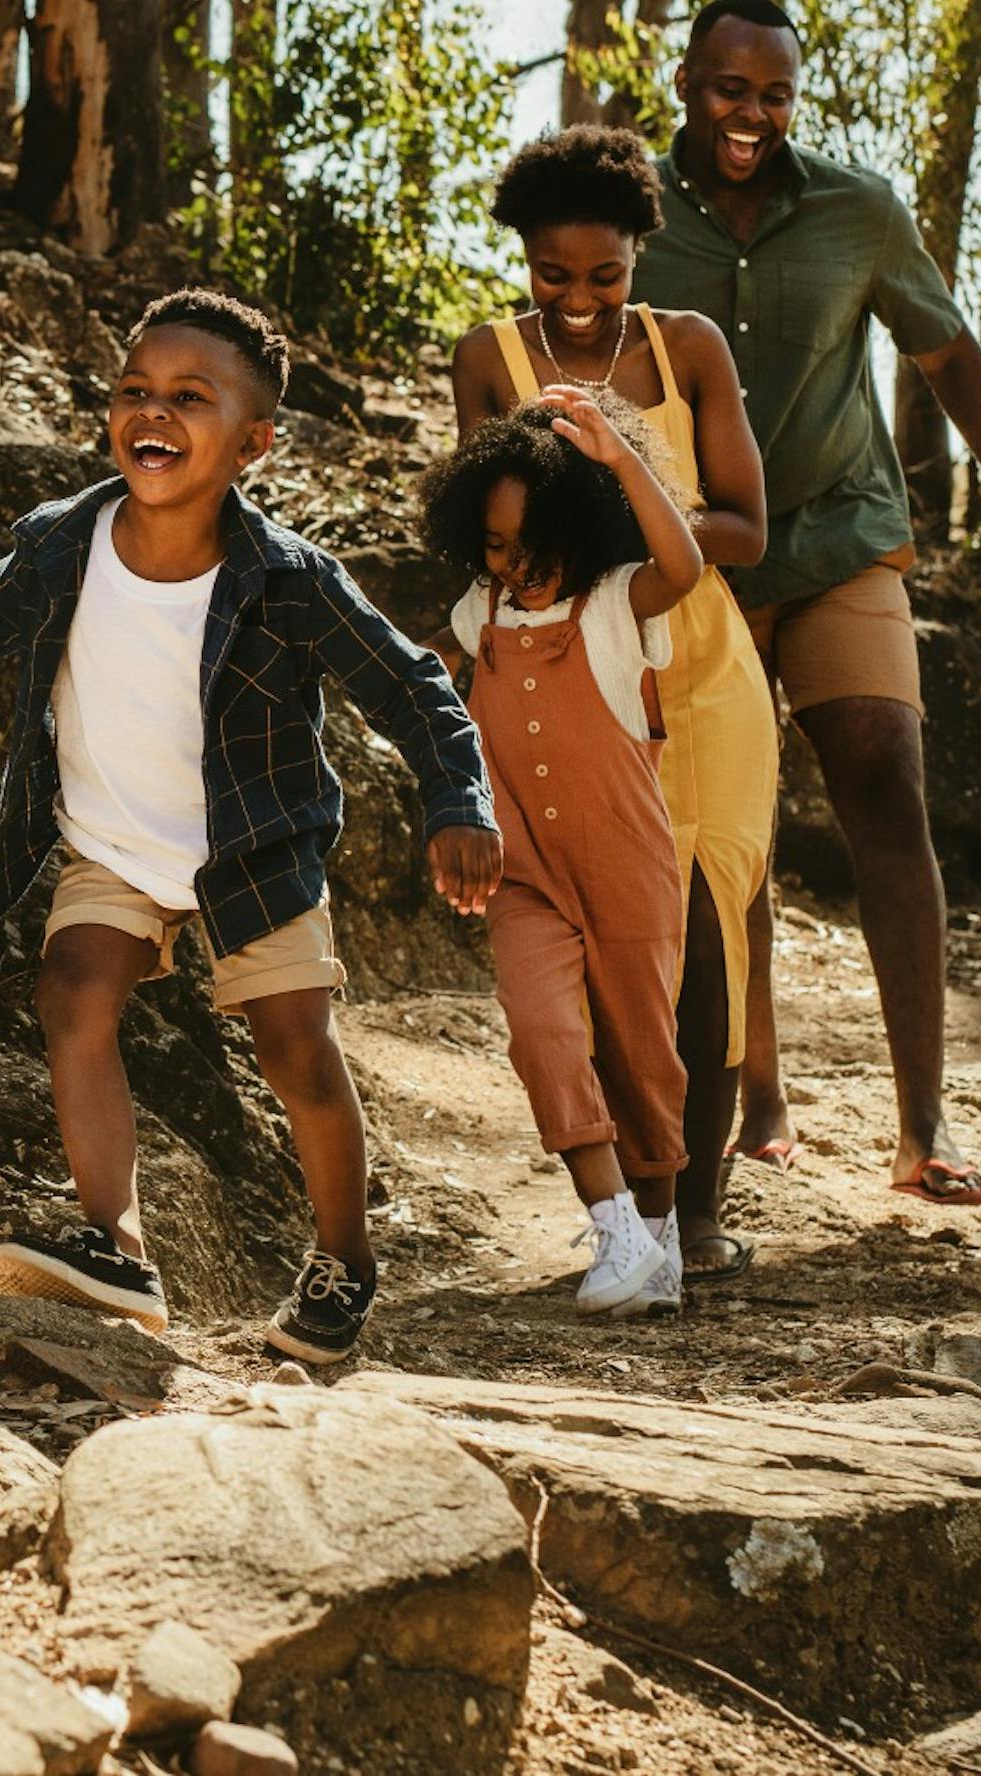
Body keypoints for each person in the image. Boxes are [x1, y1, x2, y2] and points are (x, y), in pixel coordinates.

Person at [0, 288, 501, 1364]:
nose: (154, 411)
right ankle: (119, 1248)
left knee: (295, 1050)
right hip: (114, 845)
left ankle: (344, 1259)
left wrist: (457, 799)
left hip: (255, 850)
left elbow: (413, 686)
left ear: (254, 443)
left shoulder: (290, 581)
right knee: (71, 994)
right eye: (135, 389)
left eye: (191, 397)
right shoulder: (65, 545)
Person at [634, 0, 981, 1209]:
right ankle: (759, 1098)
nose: (751, 115)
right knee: (732, 829)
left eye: (774, 94)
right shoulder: (635, 212)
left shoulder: (858, 210)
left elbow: (952, 359)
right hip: (701, 554)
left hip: (839, 536)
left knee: (885, 772)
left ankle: (922, 1126)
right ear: (684, 82)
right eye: (729, 87)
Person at [448, 124, 778, 1280]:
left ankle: (698, 1209)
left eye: (605, 275)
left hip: (696, 659)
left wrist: (632, 500)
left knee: (705, 926)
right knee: (597, 949)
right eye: (554, 274)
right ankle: (630, 1213)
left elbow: (742, 524)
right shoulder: (488, 357)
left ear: (642, 255)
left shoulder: (690, 347)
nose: (579, 301)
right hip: (577, 664)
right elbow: (487, 522)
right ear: (523, 257)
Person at [421, 393, 706, 1312]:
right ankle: (613, 1221)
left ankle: (656, 1240)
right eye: (498, 545)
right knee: (541, 1029)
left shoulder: (621, 602)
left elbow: (686, 562)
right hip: (525, 876)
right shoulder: (481, 611)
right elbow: (418, 676)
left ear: (587, 522)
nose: (518, 564)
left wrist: (623, 459)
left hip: (628, 871)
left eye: (537, 541)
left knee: (642, 1057)